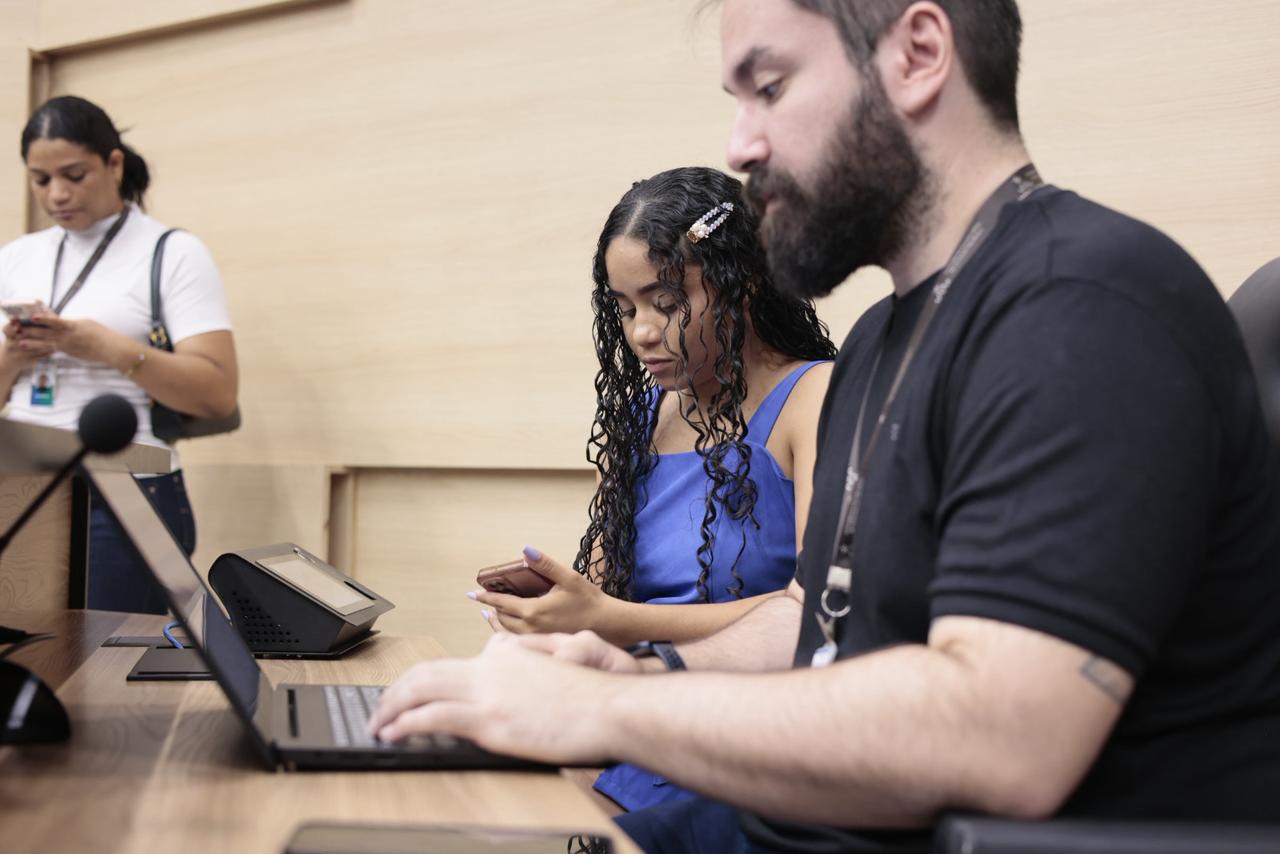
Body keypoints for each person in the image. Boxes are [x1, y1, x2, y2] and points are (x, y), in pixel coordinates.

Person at [369, 2, 1280, 852]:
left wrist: (600, 714)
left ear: (919, 55)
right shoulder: (884, 339)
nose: (742, 144)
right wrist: (640, 675)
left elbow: (1004, 737)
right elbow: (815, 618)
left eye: (769, 88)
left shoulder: (1080, 308)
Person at [472, 166, 835, 813]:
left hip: (754, 735)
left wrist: (609, 621)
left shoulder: (814, 399)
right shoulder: (638, 420)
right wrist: (554, 610)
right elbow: (598, 594)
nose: (641, 331)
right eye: (624, 308)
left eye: (665, 302)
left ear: (742, 283)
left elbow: (817, 617)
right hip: (632, 712)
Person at [0, 95, 238, 615]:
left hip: (127, 491)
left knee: (105, 657)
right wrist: (15, 356)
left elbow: (217, 394)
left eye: (74, 175)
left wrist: (104, 347)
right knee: (20, 651)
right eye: (40, 180)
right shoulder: (16, 257)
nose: (57, 194)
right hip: (17, 484)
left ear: (114, 163)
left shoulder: (171, 252)